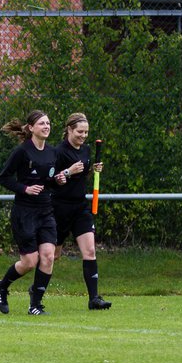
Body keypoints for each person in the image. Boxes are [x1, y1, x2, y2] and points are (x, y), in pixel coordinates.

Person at [0, 111, 59, 316]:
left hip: (46, 211)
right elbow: (3, 178)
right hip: (25, 213)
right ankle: (2, 287)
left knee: (48, 257)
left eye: (48, 123)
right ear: (31, 128)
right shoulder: (22, 151)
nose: (46, 126)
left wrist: (57, 180)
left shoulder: (52, 152)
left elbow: (47, 179)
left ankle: (35, 305)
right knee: (30, 262)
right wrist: (25, 189)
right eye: (41, 123)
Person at [51, 113, 111, 310]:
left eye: (86, 132)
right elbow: (51, 180)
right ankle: (36, 289)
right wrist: (68, 172)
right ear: (69, 129)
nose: (83, 135)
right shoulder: (58, 152)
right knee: (53, 256)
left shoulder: (85, 150)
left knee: (90, 250)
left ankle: (94, 299)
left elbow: (82, 175)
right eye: (79, 132)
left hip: (80, 207)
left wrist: (94, 169)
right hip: (60, 208)